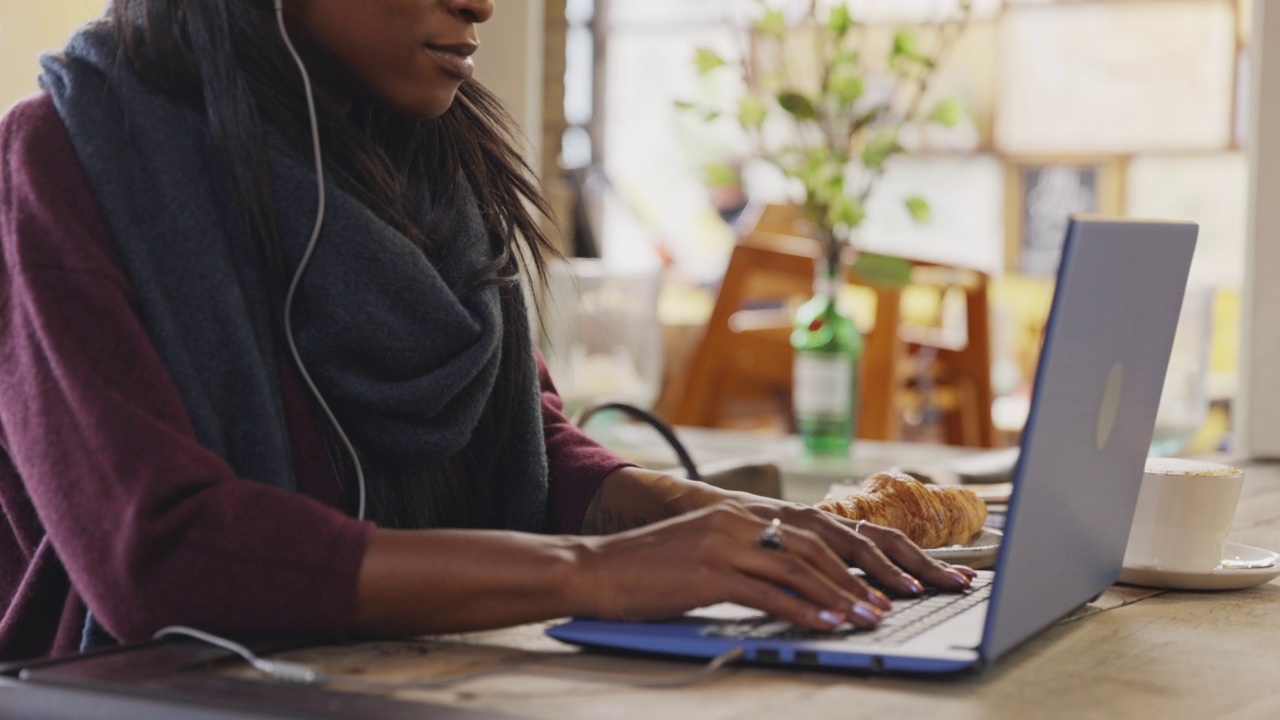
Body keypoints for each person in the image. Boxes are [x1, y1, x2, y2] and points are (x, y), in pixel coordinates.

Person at [0, 0, 973, 661]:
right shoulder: (65, 157)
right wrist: (595, 574)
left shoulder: (424, 158)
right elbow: (158, 551)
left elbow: (526, 446)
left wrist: (737, 530)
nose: (481, 3)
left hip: (399, 678)